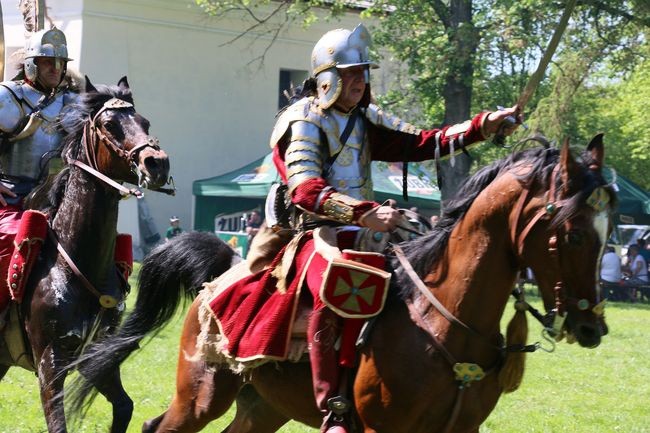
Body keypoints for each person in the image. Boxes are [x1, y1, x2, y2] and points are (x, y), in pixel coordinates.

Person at [260, 24, 521, 433]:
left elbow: (423, 142)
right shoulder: (303, 120)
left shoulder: (365, 119)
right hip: (316, 234)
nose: (360, 82)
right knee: (338, 286)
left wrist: (483, 125)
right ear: (327, 77)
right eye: (350, 73)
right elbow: (305, 189)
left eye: (363, 73)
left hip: (368, 229)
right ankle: (333, 410)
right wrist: (363, 212)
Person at [0, 28, 77, 322]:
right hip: (12, 198)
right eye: (47, 62)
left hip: (57, 199)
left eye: (60, 62)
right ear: (32, 64)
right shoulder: (9, 98)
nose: (56, 69)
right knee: (10, 238)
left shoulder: (73, 103)